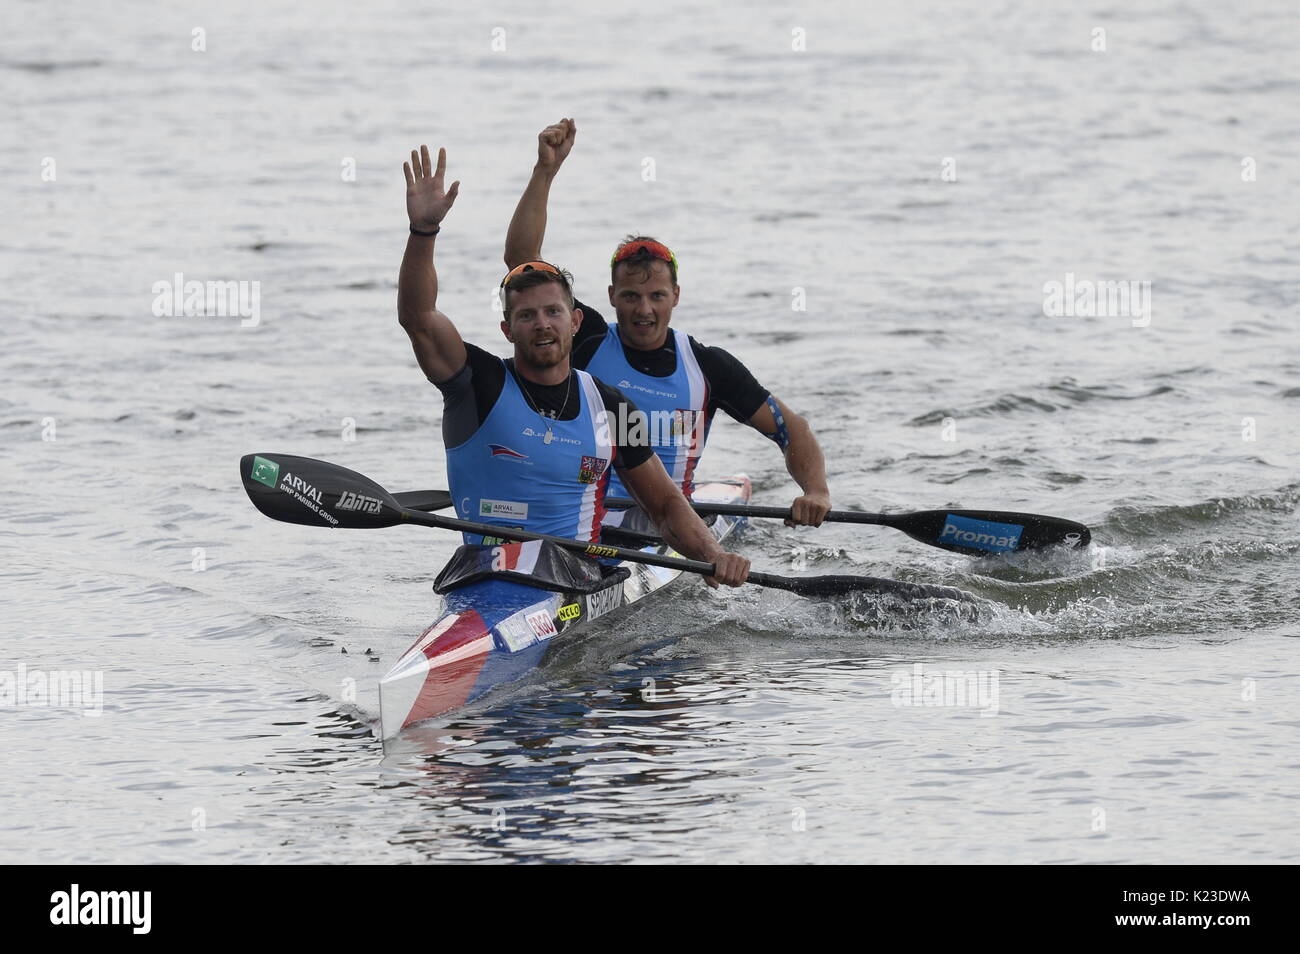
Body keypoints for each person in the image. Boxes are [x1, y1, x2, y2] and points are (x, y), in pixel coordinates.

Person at [398, 143, 750, 587]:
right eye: (526, 316)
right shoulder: (476, 384)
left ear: (575, 321)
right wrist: (423, 231)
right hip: (484, 573)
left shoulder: (612, 407)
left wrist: (715, 556)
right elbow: (418, 318)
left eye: (552, 312)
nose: (541, 325)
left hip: (577, 578)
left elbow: (663, 506)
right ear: (508, 329)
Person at [503, 118, 833, 528]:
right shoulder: (583, 338)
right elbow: (522, 262)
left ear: (675, 296)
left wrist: (815, 490)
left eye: (656, 296)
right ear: (611, 298)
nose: (644, 310)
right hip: (586, 520)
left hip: (666, 525)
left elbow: (791, 428)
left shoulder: (707, 367)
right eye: (630, 297)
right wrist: (545, 171)